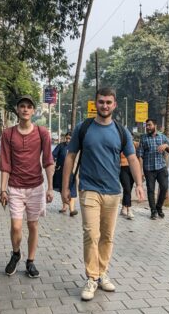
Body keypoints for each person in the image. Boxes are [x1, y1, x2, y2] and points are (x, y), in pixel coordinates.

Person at [61, 87, 145, 301]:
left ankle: (102, 273)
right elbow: (70, 157)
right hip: (88, 189)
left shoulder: (120, 130)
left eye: (108, 102)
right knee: (91, 234)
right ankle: (91, 277)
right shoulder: (84, 128)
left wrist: (139, 184)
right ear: (95, 103)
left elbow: (133, 158)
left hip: (113, 192)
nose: (105, 106)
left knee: (107, 236)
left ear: (114, 105)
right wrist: (65, 187)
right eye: (101, 102)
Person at [0, 95, 54, 278]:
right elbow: (5, 163)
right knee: (16, 226)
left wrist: (50, 187)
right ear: (17, 109)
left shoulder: (42, 133)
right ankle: (16, 254)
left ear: (33, 111)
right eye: (22, 106)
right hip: (15, 187)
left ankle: (30, 261)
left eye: (29, 107)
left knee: (33, 225)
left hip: (36, 187)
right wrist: (3, 189)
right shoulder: (8, 134)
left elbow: (48, 160)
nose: (25, 109)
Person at [137, 118, 169, 220]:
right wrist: (140, 172)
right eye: (146, 126)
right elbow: (140, 156)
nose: (148, 127)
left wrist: (166, 145)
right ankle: (153, 211)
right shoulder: (143, 138)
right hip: (148, 169)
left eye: (149, 125)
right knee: (150, 190)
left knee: (164, 187)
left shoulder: (163, 137)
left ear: (155, 126)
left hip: (161, 167)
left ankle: (159, 207)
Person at [52, 132, 78, 216]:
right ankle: (64, 206)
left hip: (72, 172)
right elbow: (53, 155)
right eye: (67, 138)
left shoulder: (76, 146)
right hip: (61, 172)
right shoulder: (61, 146)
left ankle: (72, 209)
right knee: (62, 189)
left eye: (70, 138)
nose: (68, 140)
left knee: (72, 190)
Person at [119, 139, 139, 219]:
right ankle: (129, 210)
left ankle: (123, 207)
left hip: (132, 169)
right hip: (122, 168)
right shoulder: (119, 144)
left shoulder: (135, 144)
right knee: (127, 188)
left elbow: (139, 156)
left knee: (128, 190)